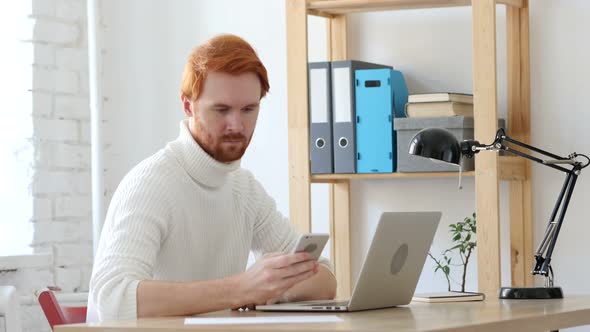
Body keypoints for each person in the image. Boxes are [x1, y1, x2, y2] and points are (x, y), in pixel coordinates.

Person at [86, 34, 337, 321]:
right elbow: (111, 299)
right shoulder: (151, 184)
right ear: (188, 105)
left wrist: (269, 288)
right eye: (221, 110)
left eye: (248, 109)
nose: (237, 125)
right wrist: (241, 289)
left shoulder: (245, 190)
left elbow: (325, 278)